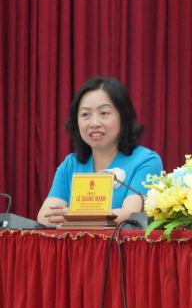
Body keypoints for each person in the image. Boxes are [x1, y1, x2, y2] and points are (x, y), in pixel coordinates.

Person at [37, 77, 162, 226]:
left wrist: (75, 217)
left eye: (104, 113)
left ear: (123, 116)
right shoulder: (71, 165)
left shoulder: (146, 161)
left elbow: (131, 214)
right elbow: (44, 217)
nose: (94, 123)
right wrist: (79, 218)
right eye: (85, 115)